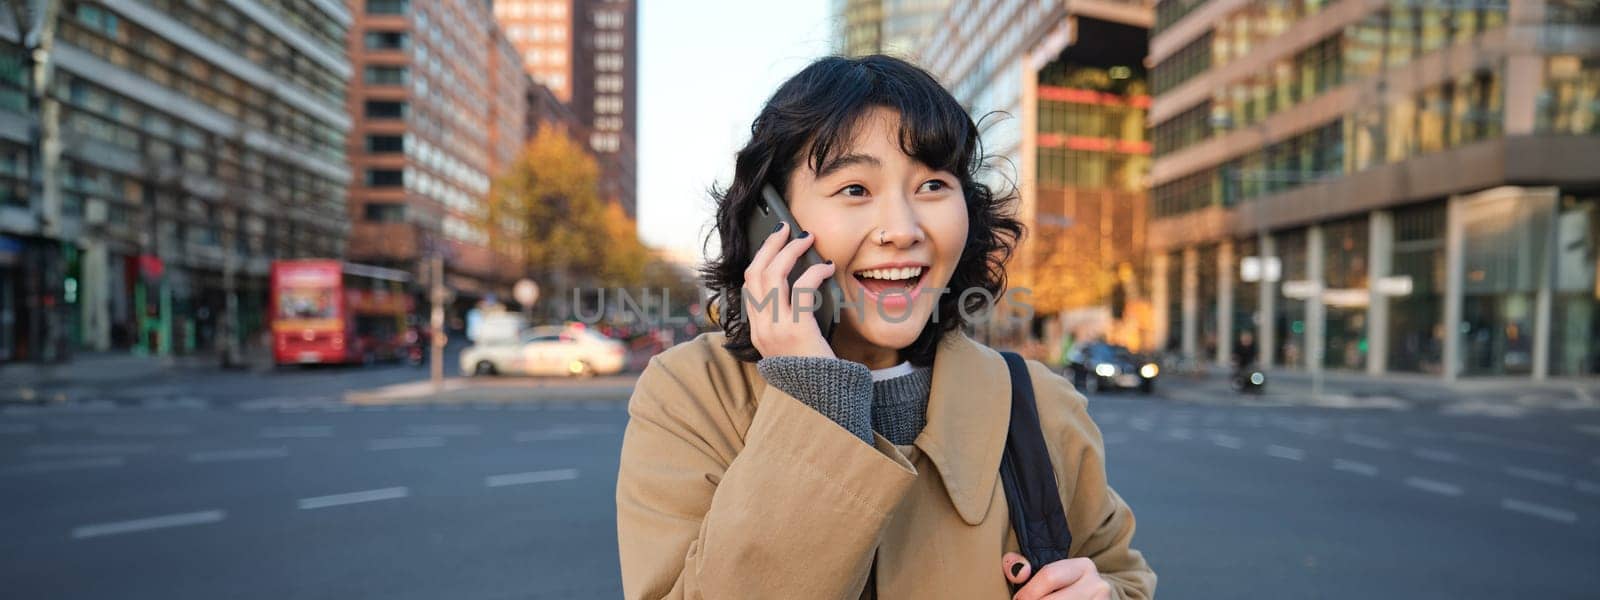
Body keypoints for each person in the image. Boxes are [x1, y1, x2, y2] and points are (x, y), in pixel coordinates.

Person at [615, 55, 1156, 599]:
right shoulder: (692, 393)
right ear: (772, 224)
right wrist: (814, 399)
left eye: (933, 186)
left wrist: (1103, 594)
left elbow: (1122, 574)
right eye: (855, 189)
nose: (902, 229)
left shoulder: (1039, 403)